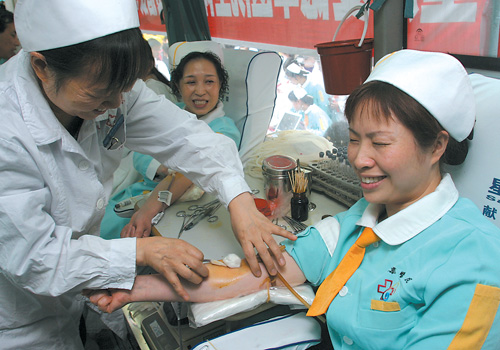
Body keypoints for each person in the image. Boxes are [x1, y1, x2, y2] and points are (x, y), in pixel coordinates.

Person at [88, 50, 500, 349]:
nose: (359, 159)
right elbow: (265, 272)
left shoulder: (476, 261)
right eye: (354, 139)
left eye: (380, 143)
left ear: (436, 147)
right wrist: (136, 288)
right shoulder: (362, 218)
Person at [0, 0, 294, 348]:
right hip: (19, 324)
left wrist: (240, 201)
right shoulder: (8, 130)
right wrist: (140, 253)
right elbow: (35, 259)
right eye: (98, 95)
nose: (113, 106)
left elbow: (191, 139)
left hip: (72, 299)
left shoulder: (112, 89)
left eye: (121, 90)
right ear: (42, 66)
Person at [102, 50, 241, 239]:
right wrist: (172, 168)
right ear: (177, 85)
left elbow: (190, 173)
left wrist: (148, 210)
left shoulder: (224, 130)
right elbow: (140, 155)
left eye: (209, 81)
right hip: (137, 194)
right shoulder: (169, 112)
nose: (200, 91)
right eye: (191, 82)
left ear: (220, 86)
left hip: (170, 205)